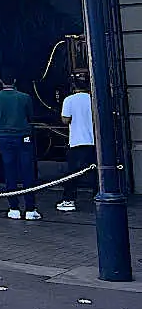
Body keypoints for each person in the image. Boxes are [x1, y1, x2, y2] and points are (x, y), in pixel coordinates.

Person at [0, 74, 41, 220]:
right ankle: (30, 208)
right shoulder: (25, 97)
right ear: (15, 80)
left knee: (9, 171)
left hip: (5, 136)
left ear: (0, 81)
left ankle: (13, 208)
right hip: (23, 135)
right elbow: (30, 116)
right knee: (27, 171)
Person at [58, 74, 96, 212]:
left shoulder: (69, 100)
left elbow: (65, 120)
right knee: (96, 171)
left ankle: (69, 199)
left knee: (73, 173)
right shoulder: (93, 99)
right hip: (93, 140)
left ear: (73, 85)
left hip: (77, 140)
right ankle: (97, 195)